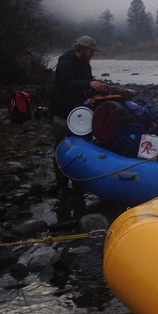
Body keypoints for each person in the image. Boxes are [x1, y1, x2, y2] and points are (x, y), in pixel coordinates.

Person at [50, 36, 111, 196]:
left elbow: (87, 81)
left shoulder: (85, 64)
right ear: (82, 49)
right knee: (60, 148)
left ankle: (78, 183)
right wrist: (88, 84)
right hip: (63, 113)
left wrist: (96, 86)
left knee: (81, 147)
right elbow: (67, 84)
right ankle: (61, 184)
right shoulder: (66, 63)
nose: (93, 54)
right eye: (91, 51)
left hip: (79, 114)